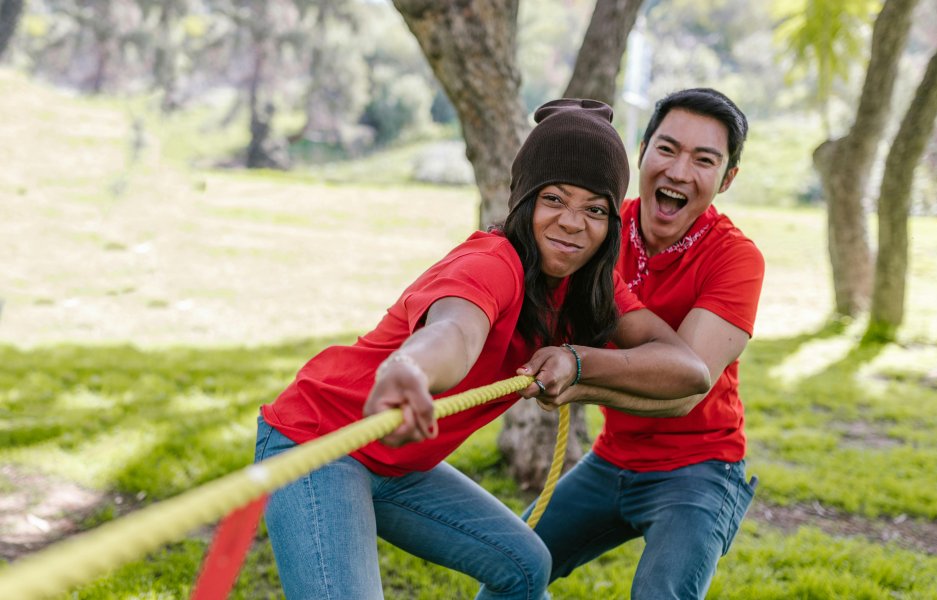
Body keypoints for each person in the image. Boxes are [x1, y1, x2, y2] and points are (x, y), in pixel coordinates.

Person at [254, 98, 711, 600]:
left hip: (399, 462)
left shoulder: (593, 290)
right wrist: (410, 367)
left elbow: (688, 370)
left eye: (595, 209)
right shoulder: (492, 263)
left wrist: (579, 362)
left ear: (610, 226)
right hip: (321, 442)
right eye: (554, 199)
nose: (573, 223)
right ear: (525, 200)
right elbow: (455, 332)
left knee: (526, 565)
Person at [525, 88, 765, 599]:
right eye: (667, 148)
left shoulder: (736, 259)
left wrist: (576, 370)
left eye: (704, 160)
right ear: (642, 152)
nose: (679, 171)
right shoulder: (596, 225)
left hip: (701, 467)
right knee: (510, 564)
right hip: (611, 458)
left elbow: (685, 390)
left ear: (726, 180)